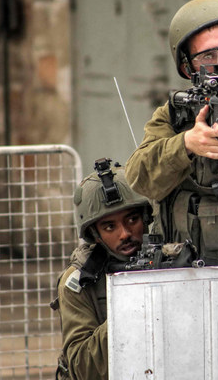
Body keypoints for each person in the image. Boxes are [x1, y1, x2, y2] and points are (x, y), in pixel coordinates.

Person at [125, 0, 218, 266]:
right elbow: (139, 178)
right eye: (208, 56)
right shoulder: (176, 114)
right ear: (187, 67)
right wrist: (186, 145)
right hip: (186, 269)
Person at [52, 160, 153, 380]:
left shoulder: (164, 264)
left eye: (132, 219)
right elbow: (83, 367)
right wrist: (130, 304)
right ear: (95, 235)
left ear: (145, 219)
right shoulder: (78, 281)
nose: (125, 233)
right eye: (110, 227)